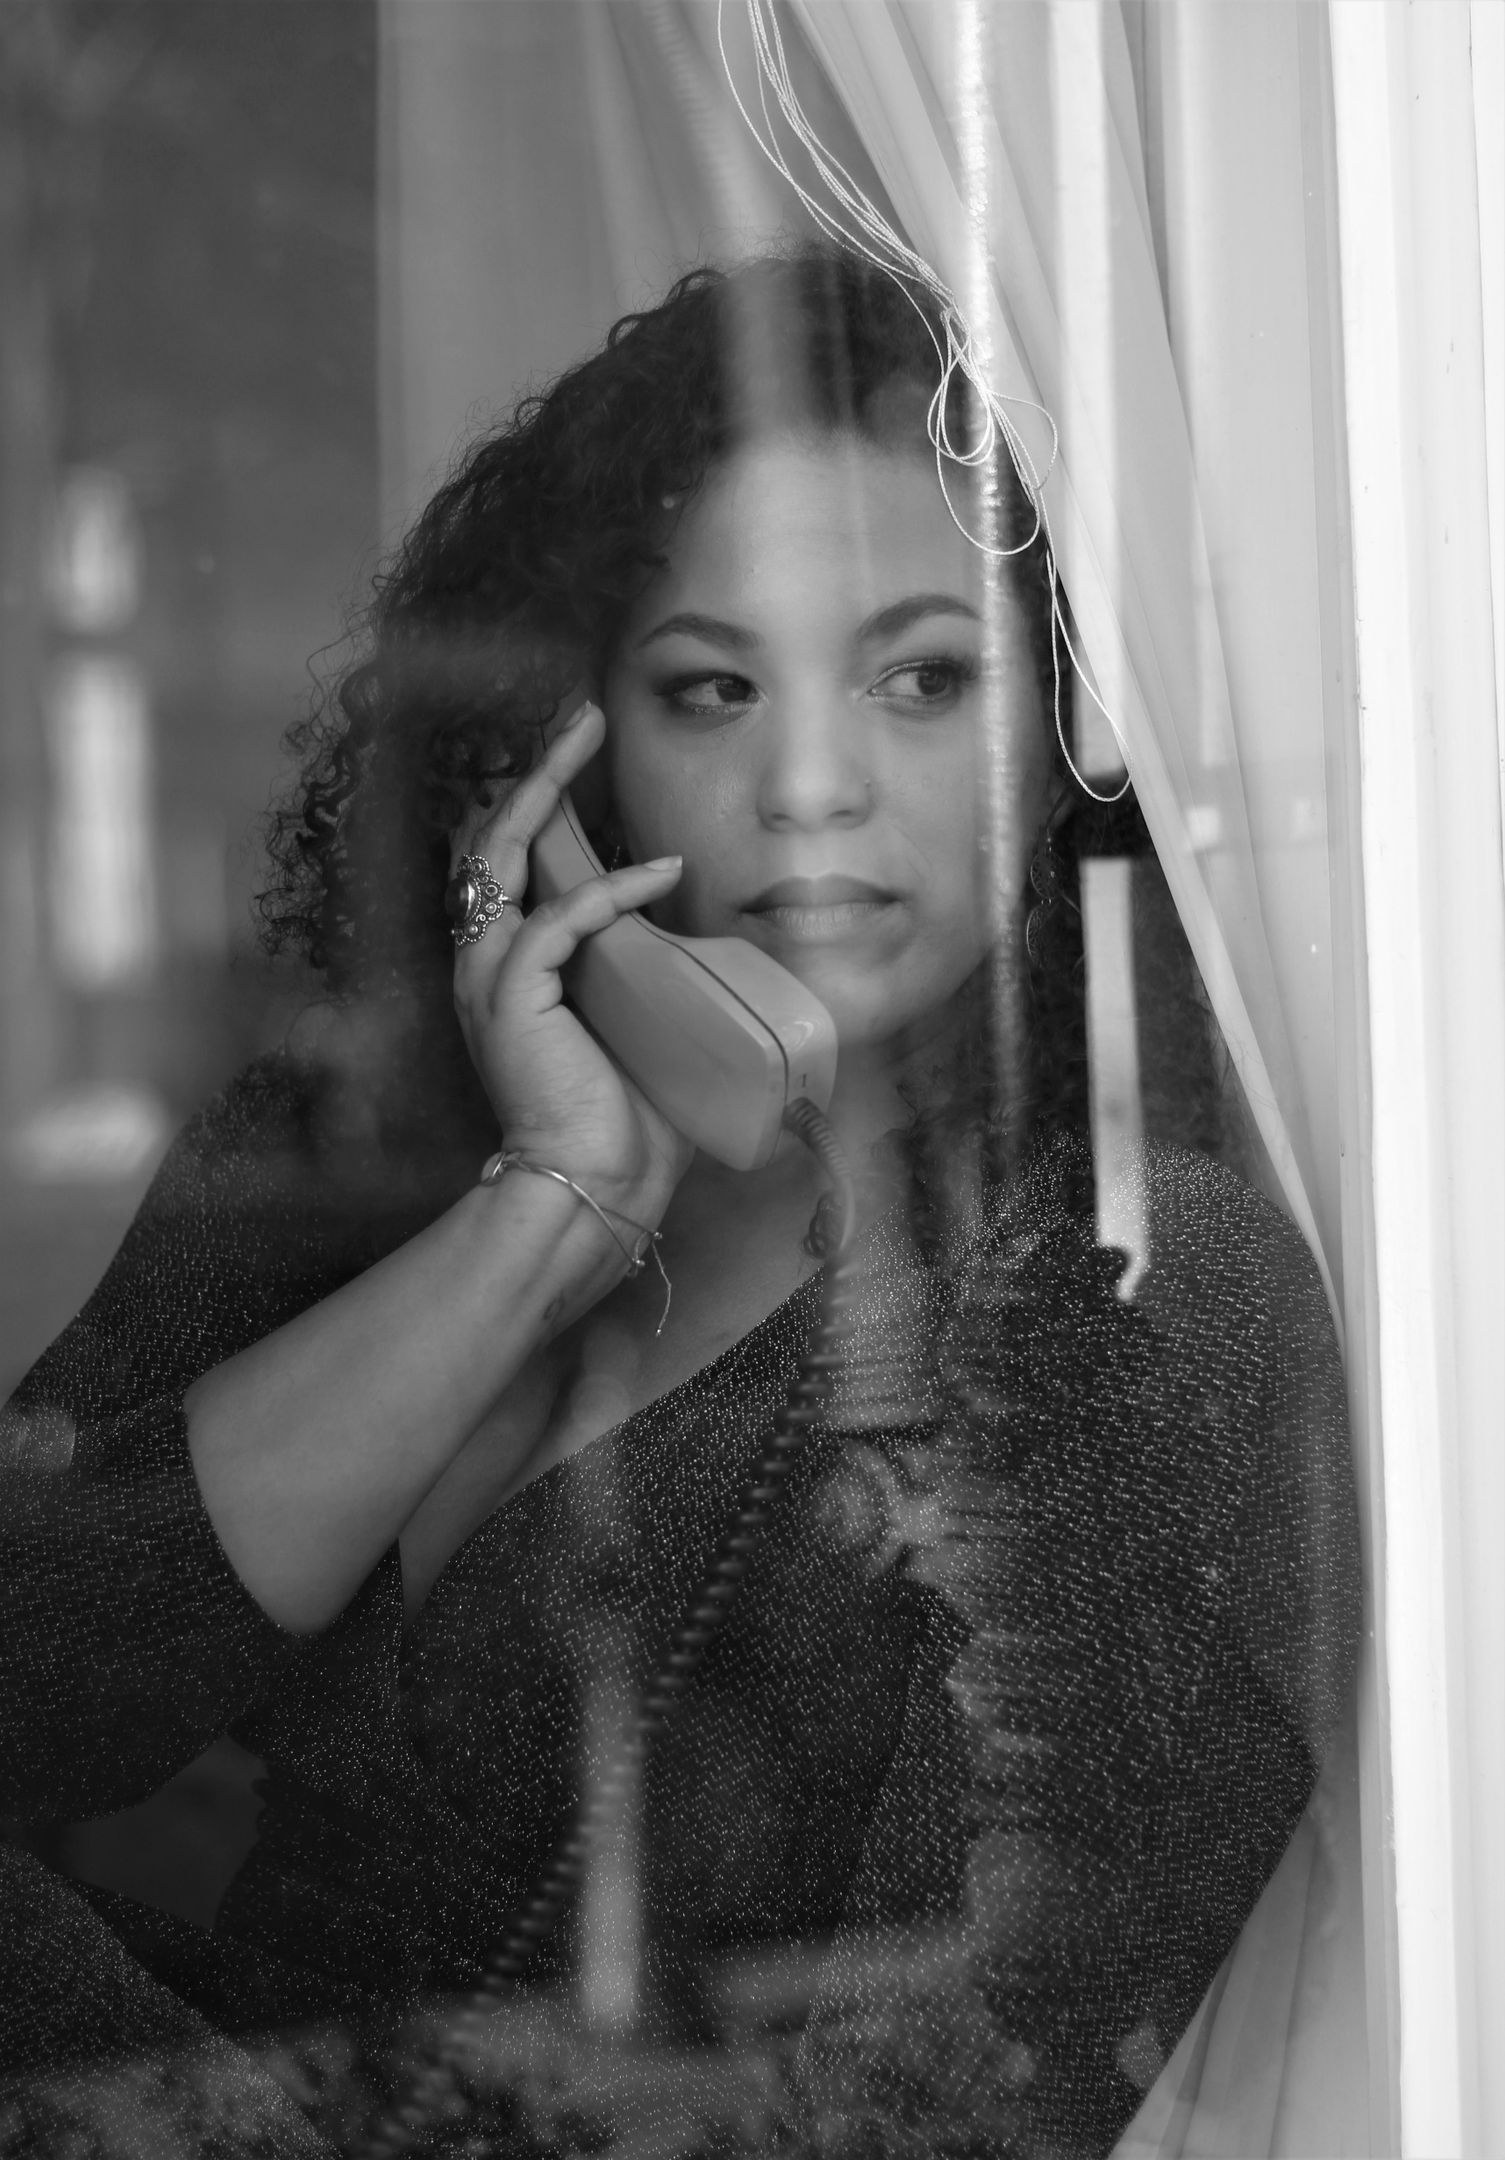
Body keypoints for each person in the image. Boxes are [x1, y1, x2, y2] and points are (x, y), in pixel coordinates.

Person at [0, 247, 1359, 2159]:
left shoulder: (1130, 1291)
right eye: (712, 688)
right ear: (576, 759)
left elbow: (963, 2094)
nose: (806, 784)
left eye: (922, 677)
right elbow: (28, 1692)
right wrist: (546, 1205)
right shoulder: (336, 1148)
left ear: (1067, 741)